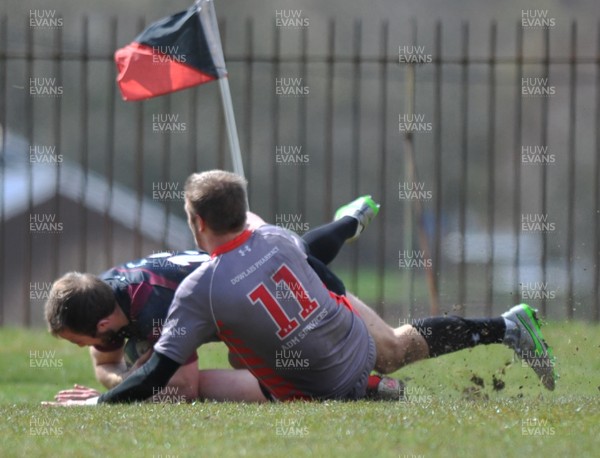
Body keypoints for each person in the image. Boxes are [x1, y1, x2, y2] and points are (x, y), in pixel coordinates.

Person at [46, 170, 555, 406]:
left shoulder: (179, 297)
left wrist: (104, 394)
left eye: (91, 339)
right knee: (272, 357)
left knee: (392, 350)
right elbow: (302, 252)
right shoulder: (266, 233)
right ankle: (350, 223)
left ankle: (505, 326)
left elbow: (176, 386)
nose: (96, 347)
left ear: (198, 223)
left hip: (300, 297)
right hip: (279, 289)